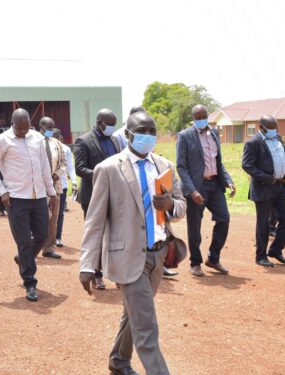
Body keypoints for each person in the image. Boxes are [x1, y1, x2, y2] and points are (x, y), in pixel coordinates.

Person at [79, 112, 186, 375]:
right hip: (126, 255)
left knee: (134, 314)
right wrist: (88, 264)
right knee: (146, 324)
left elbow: (181, 206)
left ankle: (118, 360)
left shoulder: (164, 166)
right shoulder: (108, 169)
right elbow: (95, 221)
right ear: (127, 135)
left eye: (152, 131)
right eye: (141, 131)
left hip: (158, 254)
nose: (147, 136)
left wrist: (171, 204)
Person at [0, 108, 56, 302]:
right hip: (16, 198)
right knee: (24, 240)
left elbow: (44, 167)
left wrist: (51, 192)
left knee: (43, 235)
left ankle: (23, 259)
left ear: (30, 124)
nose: (23, 132)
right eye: (19, 128)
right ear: (13, 124)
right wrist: (3, 192)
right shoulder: (2, 141)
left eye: (26, 128)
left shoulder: (37, 139)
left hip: (39, 195)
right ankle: (30, 282)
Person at [176, 104, 236, 277]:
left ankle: (213, 257)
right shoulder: (185, 136)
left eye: (204, 115)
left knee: (224, 219)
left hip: (215, 185)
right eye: (198, 116)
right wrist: (192, 191)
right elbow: (181, 166)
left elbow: (218, 161)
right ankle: (195, 263)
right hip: (196, 187)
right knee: (195, 226)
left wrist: (228, 180)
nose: (202, 118)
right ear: (193, 118)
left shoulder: (214, 133)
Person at [74, 108, 122, 290]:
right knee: (96, 235)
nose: (111, 128)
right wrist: (103, 175)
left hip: (115, 195)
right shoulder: (84, 141)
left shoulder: (115, 141)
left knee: (116, 234)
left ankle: (117, 272)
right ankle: (97, 273)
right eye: (109, 125)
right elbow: (80, 169)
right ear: (99, 122)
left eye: (113, 125)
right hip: (92, 196)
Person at [242, 115, 285, 267]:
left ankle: (276, 250)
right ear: (261, 127)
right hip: (263, 187)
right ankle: (261, 256)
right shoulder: (253, 143)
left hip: (280, 186)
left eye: (275, 128)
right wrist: (267, 178)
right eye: (270, 128)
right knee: (263, 223)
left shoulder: (277, 139)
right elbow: (247, 165)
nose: (273, 131)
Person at [38, 117, 66, 258]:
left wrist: (57, 173)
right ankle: (33, 247)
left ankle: (48, 248)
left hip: (55, 186)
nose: (51, 129)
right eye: (49, 126)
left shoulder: (56, 143)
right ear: (41, 126)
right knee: (38, 217)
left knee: (53, 218)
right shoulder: (34, 142)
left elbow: (63, 162)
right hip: (38, 187)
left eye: (53, 126)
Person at [52, 129, 76, 247]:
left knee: (60, 212)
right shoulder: (44, 147)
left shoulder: (65, 149)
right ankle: (47, 238)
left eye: (57, 136)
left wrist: (75, 181)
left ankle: (58, 237)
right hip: (48, 185)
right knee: (47, 213)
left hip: (62, 186)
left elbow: (70, 166)